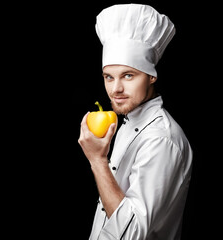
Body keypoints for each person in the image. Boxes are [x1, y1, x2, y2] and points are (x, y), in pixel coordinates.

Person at [78, 4, 193, 240]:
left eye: (128, 76)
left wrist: (97, 160)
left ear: (151, 76)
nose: (116, 89)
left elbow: (131, 233)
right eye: (109, 77)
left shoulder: (161, 139)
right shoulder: (128, 121)